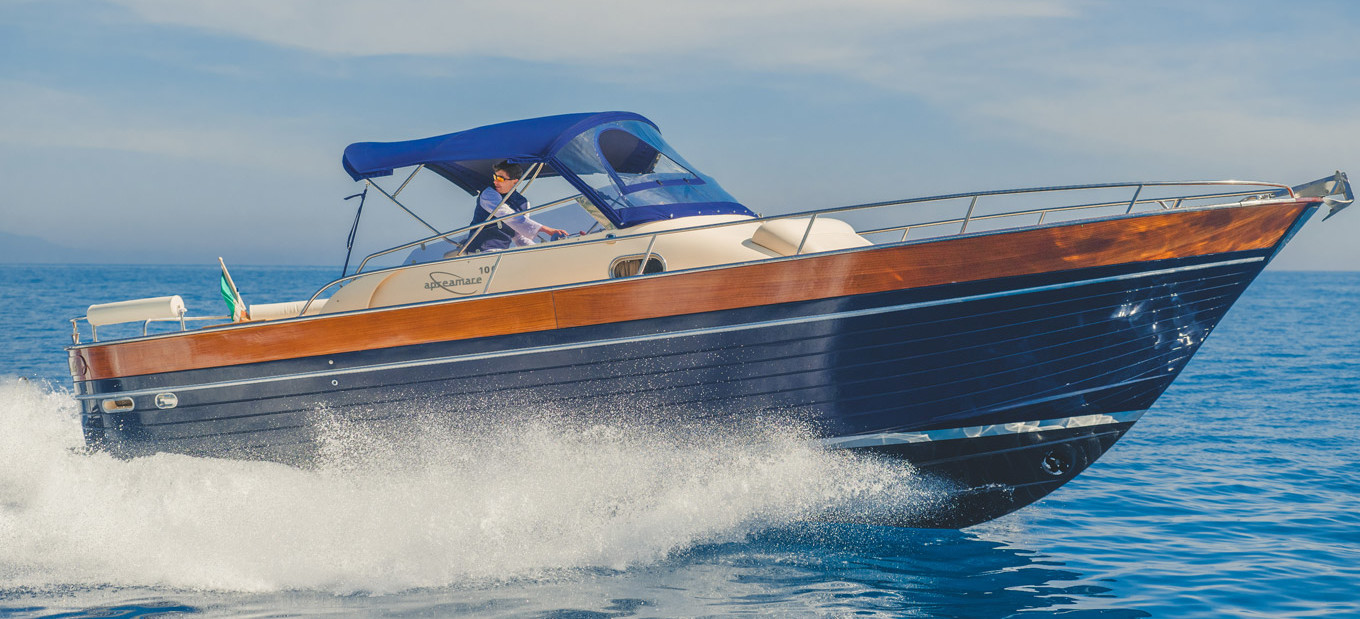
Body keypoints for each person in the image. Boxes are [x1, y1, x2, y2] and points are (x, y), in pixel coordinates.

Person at [462, 161, 567, 253]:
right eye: (495, 177)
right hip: (480, 252)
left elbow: (519, 237)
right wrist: (546, 230)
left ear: (515, 181)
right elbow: (508, 216)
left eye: (500, 178)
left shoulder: (523, 203)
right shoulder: (489, 194)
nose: (495, 182)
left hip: (501, 254)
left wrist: (541, 251)